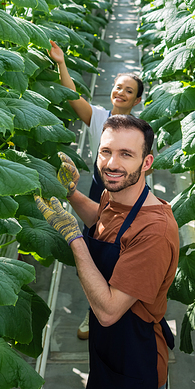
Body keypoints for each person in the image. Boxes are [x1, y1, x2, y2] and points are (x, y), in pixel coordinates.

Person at [36, 115, 180, 389]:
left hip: (135, 362)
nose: (112, 163)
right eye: (106, 152)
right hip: (109, 353)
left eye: (126, 154)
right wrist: (71, 193)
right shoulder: (117, 195)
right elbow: (102, 222)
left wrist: (75, 239)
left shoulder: (153, 230)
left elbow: (109, 311)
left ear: (147, 162)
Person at [49, 39, 144, 339]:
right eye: (118, 87)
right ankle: (96, 311)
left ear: (137, 100)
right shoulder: (99, 118)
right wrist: (61, 63)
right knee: (96, 253)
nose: (121, 92)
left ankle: (121, 304)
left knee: (123, 252)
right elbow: (73, 97)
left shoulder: (140, 131)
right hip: (98, 190)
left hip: (128, 195)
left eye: (128, 90)